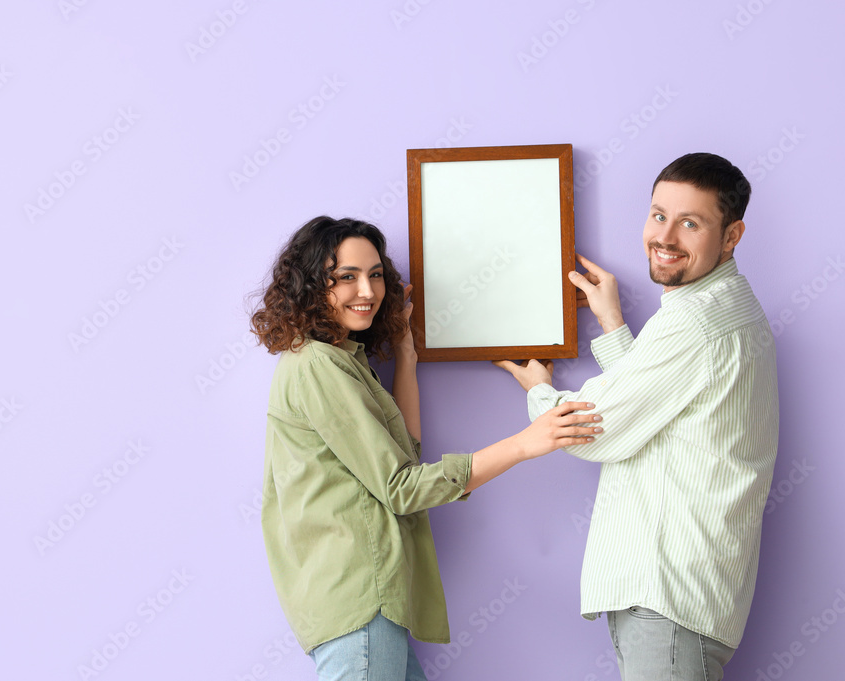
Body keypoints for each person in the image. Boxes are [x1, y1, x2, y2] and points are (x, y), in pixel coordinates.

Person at [251, 216, 602, 681]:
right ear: (313, 285)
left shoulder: (339, 361)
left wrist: (407, 355)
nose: (367, 291)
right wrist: (524, 444)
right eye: (346, 277)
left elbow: (403, 459)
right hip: (358, 600)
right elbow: (402, 488)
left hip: (368, 603)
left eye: (375, 274)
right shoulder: (318, 365)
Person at [496, 152, 779, 681]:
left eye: (690, 223)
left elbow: (591, 431)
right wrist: (613, 326)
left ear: (733, 235)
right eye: (658, 215)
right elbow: (658, 408)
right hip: (686, 595)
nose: (665, 236)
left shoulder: (695, 321)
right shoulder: (724, 306)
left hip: (669, 596)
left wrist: (540, 392)